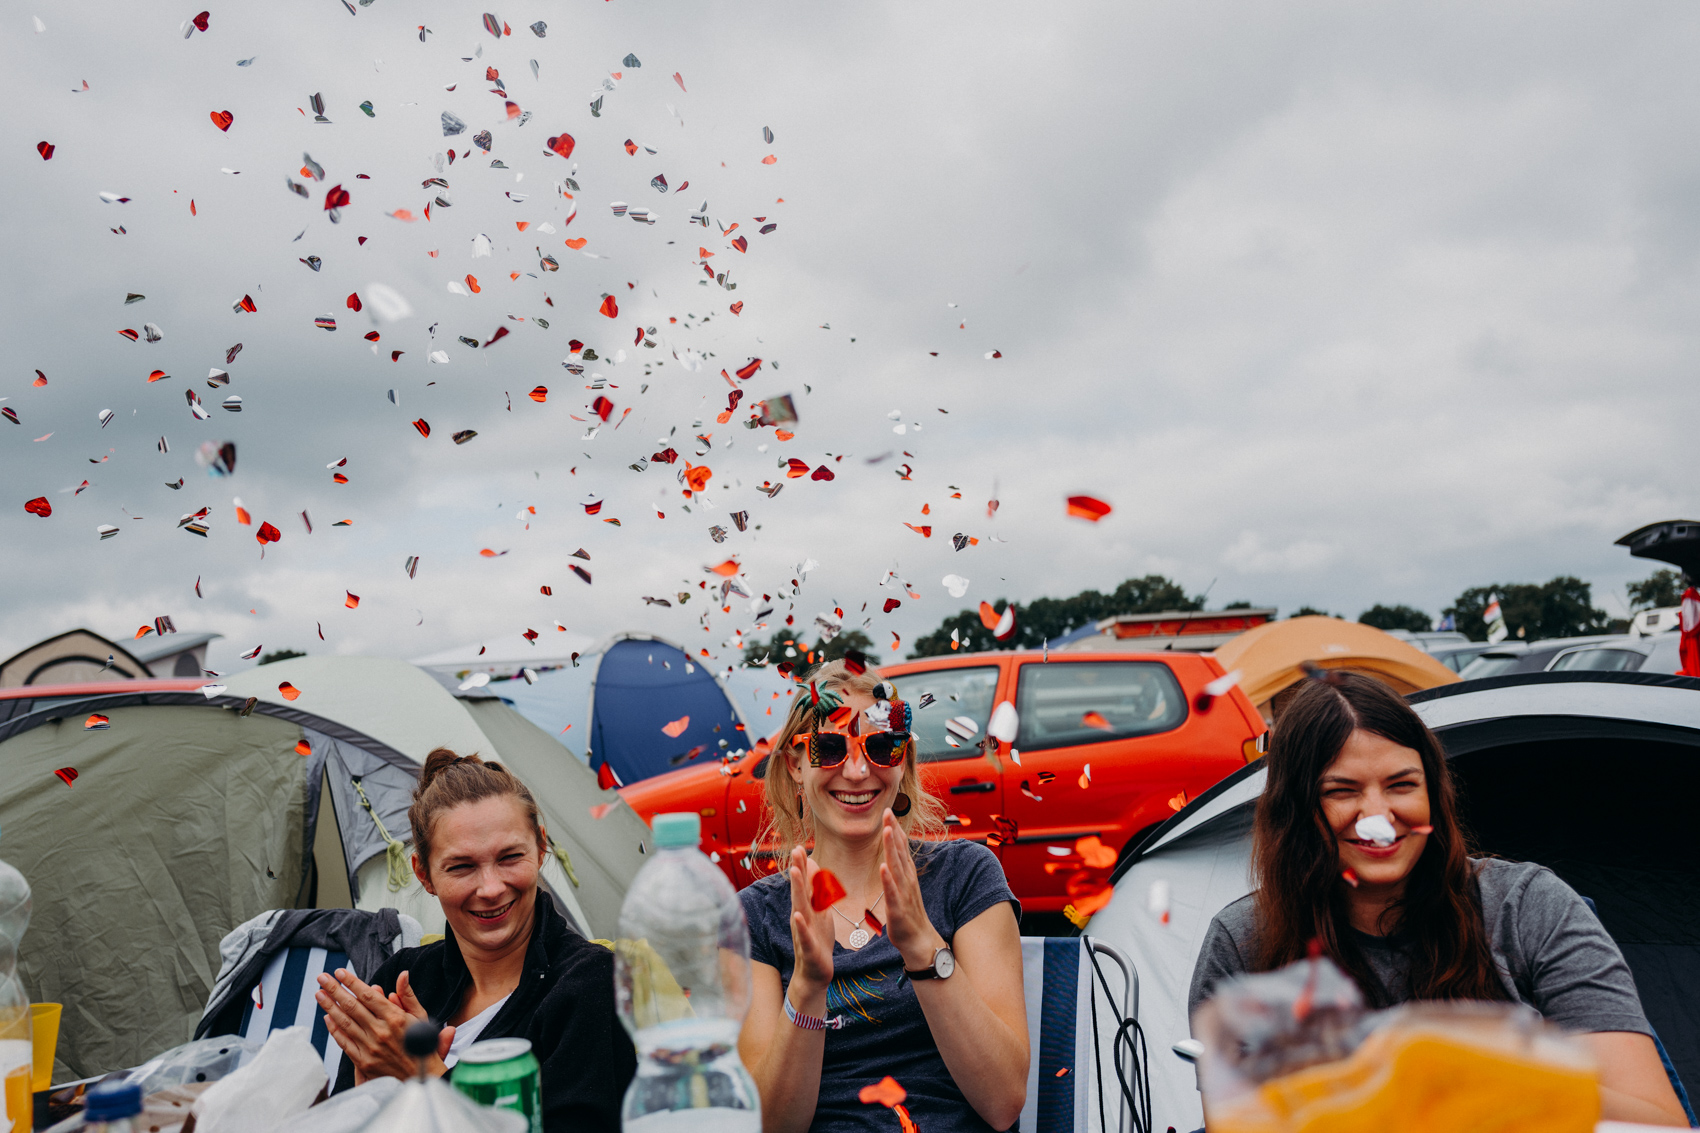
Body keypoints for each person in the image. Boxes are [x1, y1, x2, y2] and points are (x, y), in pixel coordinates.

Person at [1188, 671, 1688, 1127]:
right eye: (1341, 791)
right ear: (1295, 810)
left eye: (1402, 785)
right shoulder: (1244, 943)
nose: (1377, 817)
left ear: (1434, 794)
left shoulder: (1529, 909)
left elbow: (1655, 1120)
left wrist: (1483, 1076)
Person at [737, 660, 1029, 1133]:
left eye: (880, 747)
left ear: (903, 760)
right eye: (829, 748)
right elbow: (771, 1125)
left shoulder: (965, 875)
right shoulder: (757, 916)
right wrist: (808, 988)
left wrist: (922, 948)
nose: (856, 771)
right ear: (795, 764)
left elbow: (1003, 1101)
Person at [317, 748, 636, 1133]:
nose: (490, 888)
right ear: (424, 874)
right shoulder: (402, 980)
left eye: (509, 857)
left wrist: (429, 1077)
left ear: (540, 849)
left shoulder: (589, 985)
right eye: (462, 866)